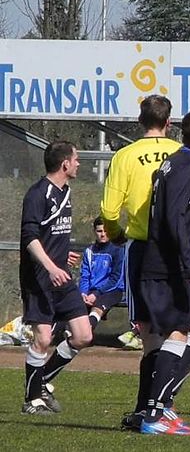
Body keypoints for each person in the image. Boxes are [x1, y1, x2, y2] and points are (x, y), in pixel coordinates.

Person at [100, 94, 190, 431]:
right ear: (169, 123)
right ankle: (158, 408)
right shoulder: (181, 157)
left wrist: (116, 234)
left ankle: (148, 409)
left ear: (140, 120)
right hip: (172, 254)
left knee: (151, 334)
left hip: (139, 249)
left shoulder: (125, 156)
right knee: (188, 330)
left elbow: (108, 211)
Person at [138, 105, 190, 436]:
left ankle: (163, 405)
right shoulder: (185, 165)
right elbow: (174, 220)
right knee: (177, 333)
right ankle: (153, 414)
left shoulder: (174, 162)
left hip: (167, 263)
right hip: (167, 266)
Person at [19, 140, 93, 414]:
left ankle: (41, 382)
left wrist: (62, 256)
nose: (78, 163)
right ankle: (32, 400)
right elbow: (30, 238)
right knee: (43, 339)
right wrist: (50, 267)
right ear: (65, 164)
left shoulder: (66, 191)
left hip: (61, 275)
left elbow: (51, 234)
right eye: (76, 159)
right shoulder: (37, 194)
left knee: (83, 335)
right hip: (40, 278)